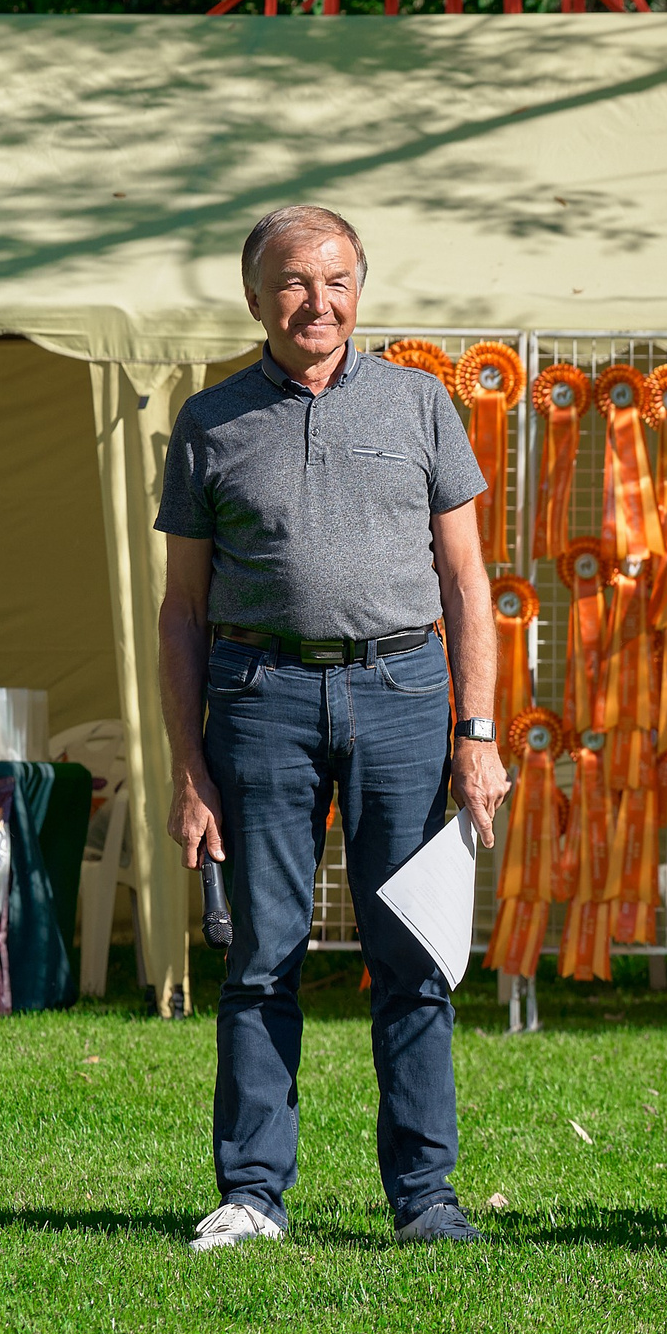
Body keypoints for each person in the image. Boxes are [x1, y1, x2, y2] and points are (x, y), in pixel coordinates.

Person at [157, 205, 509, 1252]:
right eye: (296, 282)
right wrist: (188, 765)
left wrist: (477, 731)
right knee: (261, 952)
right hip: (258, 698)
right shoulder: (209, 421)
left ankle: (425, 1199)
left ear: (362, 287)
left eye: (338, 280)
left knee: (415, 957)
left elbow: (466, 579)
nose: (319, 301)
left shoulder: (420, 403)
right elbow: (180, 609)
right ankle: (253, 1192)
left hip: (403, 694)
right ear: (256, 296)